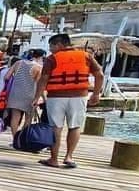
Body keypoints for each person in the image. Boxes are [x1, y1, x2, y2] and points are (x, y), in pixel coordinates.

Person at [33, 33, 104, 169]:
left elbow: (44, 79)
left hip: (56, 96)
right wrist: (96, 94)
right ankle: (69, 157)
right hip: (79, 95)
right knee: (75, 126)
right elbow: (99, 74)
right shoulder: (85, 56)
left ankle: (54, 159)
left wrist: (37, 97)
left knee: (56, 127)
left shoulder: (52, 59)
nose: (50, 49)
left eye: (51, 46)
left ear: (59, 45)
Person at [4, 49, 45, 138]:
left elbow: (6, 77)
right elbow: (39, 85)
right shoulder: (39, 68)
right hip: (30, 95)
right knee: (28, 118)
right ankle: (22, 139)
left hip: (15, 94)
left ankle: (15, 139)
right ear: (40, 57)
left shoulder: (18, 63)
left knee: (15, 117)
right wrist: (42, 98)